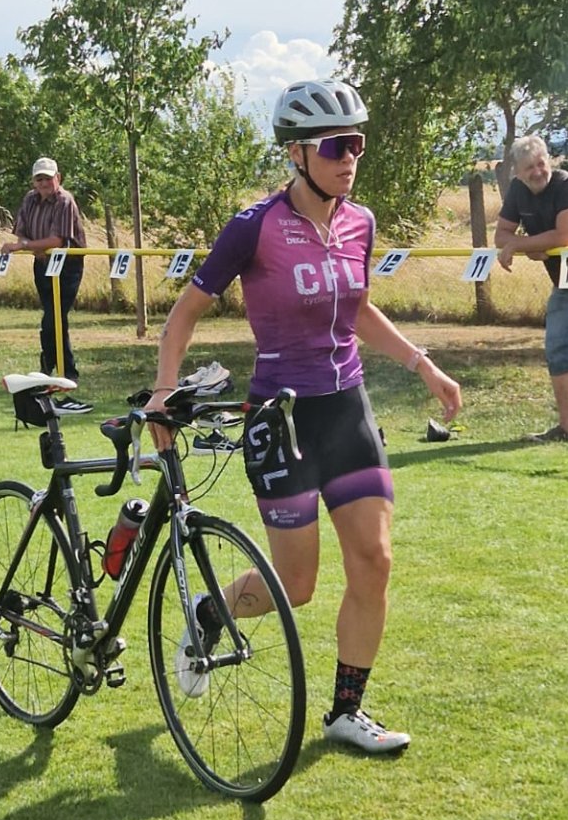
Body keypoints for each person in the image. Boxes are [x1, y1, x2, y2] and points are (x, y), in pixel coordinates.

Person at [145, 79, 462, 754]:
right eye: (335, 146)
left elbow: (357, 308)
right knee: (296, 585)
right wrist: (163, 391)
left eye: (357, 144)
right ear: (297, 153)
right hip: (282, 419)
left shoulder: (359, 222)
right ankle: (209, 611)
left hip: (347, 410)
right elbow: (185, 313)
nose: (350, 158)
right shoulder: (253, 227)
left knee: (374, 559)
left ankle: (347, 711)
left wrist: (421, 364)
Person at [1, 157, 92, 414]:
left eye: (48, 178)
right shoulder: (30, 199)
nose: (43, 183)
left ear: (57, 178)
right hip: (42, 262)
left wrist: (26, 245)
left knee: (54, 317)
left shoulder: (65, 200)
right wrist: (28, 244)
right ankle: (55, 368)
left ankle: (59, 369)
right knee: (52, 317)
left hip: (67, 263)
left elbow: (57, 240)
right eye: (39, 179)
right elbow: (22, 232)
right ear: (34, 181)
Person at [493, 133, 568, 443]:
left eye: (541, 163)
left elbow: (564, 235)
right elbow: (501, 236)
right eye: (529, 168)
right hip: (563, 283)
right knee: (558, 351)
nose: (538, 171)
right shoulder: (517, 191)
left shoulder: (564, 184)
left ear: (549, 160)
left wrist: (524, 245)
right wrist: (530, 247)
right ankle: (566, 428)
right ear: (518, 172)